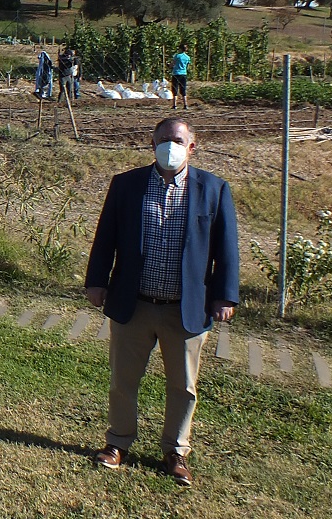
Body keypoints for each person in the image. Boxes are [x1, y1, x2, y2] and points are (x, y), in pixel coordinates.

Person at [84, 117, 239, 486]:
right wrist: (96, 282)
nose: (171, 146)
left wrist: (224, 295)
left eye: (178, 140)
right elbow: (106, 237)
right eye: (164, 140)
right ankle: (118, 442)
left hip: (185, 309)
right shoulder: (126, 185)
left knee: (183, 386)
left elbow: (226, 248)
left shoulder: (213, 189)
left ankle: (176, 451)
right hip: (133, 304)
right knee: (123, 380)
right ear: (152, 144)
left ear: (192, 147)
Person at [171, 44, 191, 110]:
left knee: (175, 89)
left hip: (176, 74)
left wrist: (169, 66)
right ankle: (185, 105)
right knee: (183, 89)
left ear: (180, 49)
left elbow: (172, 64)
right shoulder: (187, 57)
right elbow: (187, 66)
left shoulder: (177, 56)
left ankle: (174, 105)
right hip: (184, 74)